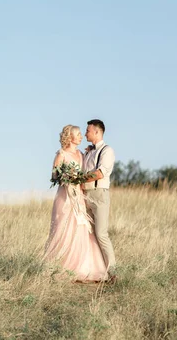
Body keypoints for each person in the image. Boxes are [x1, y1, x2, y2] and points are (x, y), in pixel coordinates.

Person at [44, 124, 108, 282]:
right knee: (64, 228)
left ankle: (82, 266)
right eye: (78, 134)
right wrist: (64, 177)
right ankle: (62, 265)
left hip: (78, 196)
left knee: (81, 229)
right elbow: (54, 176)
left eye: (81, 134)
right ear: (70, 137)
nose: (81, 137)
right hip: (65, 197)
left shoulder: (81, 154)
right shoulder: (61, 154)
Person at [82, 119, 117, 283]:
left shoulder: (107, 150)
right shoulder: (89, 152)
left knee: (101, 234)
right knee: (89, 235)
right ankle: (95, 271)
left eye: (87, 131)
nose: (85, 133)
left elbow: (100, 173)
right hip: (85, 195)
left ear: (97, 131)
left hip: (99, 195)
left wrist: (79, 178)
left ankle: (113, 273)